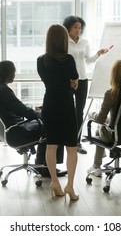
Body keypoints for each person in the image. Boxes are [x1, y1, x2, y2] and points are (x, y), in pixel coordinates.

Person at [0, 60, 67, 178]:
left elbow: (19, 109)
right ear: (9, 74)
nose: (14, 76)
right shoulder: (4, 91)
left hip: (8, 131)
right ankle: (46, 167)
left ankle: (42, 164)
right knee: (55, 126)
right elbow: (24, 111)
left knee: (47, 125)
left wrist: (38, 112)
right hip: (16, 131)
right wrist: (44, 114)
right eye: (14, 73)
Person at [37, 24, 79, 200]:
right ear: (63, 40)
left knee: (51, 145)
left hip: (49, 106)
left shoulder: (41, 60)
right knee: (71, 147)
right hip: (66, 106)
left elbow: (49, 81)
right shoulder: (68, 59)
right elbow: (74, 81)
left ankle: (54, 181)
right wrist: (71, 84)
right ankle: (69, 185)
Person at [63, 15, 107, 154]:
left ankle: (77, 141)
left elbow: (88, 60)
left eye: (80, 28)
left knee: (79, 111)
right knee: (67, 110)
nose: (78, 30)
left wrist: (98, 54)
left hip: (82, 79)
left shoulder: (84, 42)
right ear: (68, 28)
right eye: (75, 27)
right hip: (68, 81)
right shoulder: (64, 42)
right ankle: (66, 140)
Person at [87, 60, 121, 176]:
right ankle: (98, 162)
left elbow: (99, 119)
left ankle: (96, 166)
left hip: (115, 135)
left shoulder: (111, 93)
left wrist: (90, 114)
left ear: (113, 75)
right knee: (104, 125)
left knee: (98, 128)